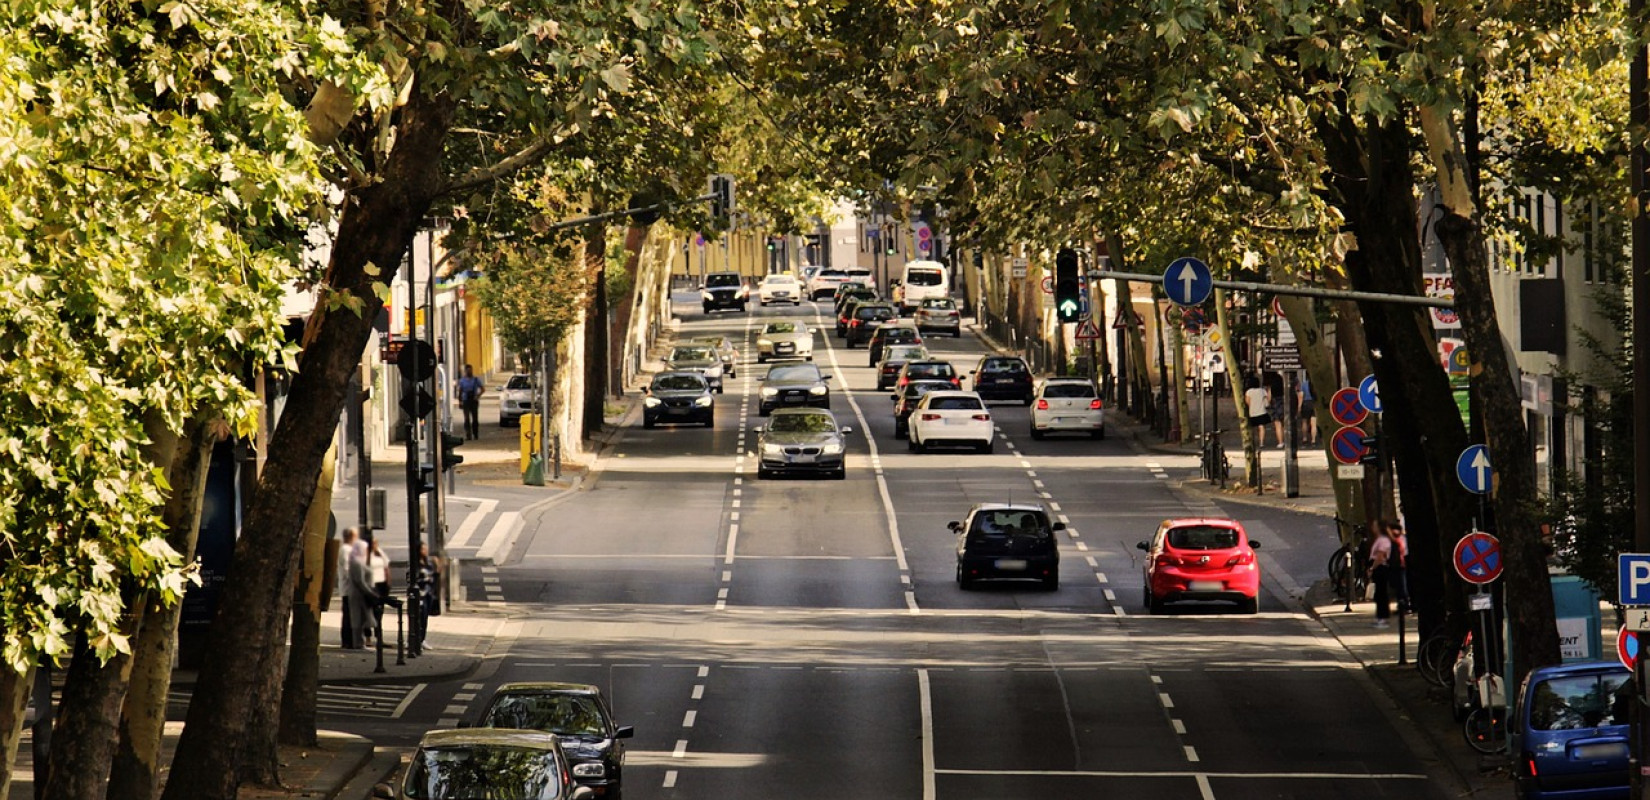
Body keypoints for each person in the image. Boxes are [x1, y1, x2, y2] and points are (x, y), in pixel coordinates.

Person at [346, 540, 378, 648]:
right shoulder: (356, 563)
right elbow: (359, 581)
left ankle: (360, 641)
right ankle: (358, 643)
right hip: (358, 594)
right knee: (357, 618)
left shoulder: (360, 561)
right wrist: (370, 592)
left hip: (362, 594)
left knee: (363, 618)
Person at [336, 527, 360, 648]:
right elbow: (348, 569)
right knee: (349, 615)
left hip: (351, 588)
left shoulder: (349, 549)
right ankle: (348, 641)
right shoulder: (346, 550)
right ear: (351, 537)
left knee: (350, 615)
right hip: (349, 588)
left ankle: (351, 640)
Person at [1367, 520, 1394, 627]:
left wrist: (1372, 567)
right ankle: (1380, 616)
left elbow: (1380, 556)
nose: (1373, 527)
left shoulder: (1383, 540)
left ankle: (1383, 617)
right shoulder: (1380, 539)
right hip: (1379, 568)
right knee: (1379, 593)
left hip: (1381, 568)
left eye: (1375, 525)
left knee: (1381, 593)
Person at [456, 364, 484, 440]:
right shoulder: (462, 381)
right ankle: (468, 434)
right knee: (467, 418)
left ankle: (475, 434)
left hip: (474, 401)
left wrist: (477, 396)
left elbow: (482, 389)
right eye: (467, 370)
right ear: (465, 371)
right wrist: (460, 401)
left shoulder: (476, 379)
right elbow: (460, 391)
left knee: (475, 419)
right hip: (466, 401)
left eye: (470, 370)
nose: (469, 372)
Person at [1244, 376, 1272, 448]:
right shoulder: (1262, 391)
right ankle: (1261, 442)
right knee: (1261, 427)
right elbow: (1267, 400)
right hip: (1262, 411)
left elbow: (1247, 402)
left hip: (1252, 412)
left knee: (1252, 428)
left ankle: (1252, 441)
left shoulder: (1249, 392)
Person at [1297, 373, 1317, 444]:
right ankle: (1313, 439)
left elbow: (1301, 396)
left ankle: (1304, 438)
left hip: (1306, 403)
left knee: (1304, 421)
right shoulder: (1316, 384)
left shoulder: (1304, 384)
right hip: (1314, 403)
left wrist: (1299, 406)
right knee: (1314, 423)